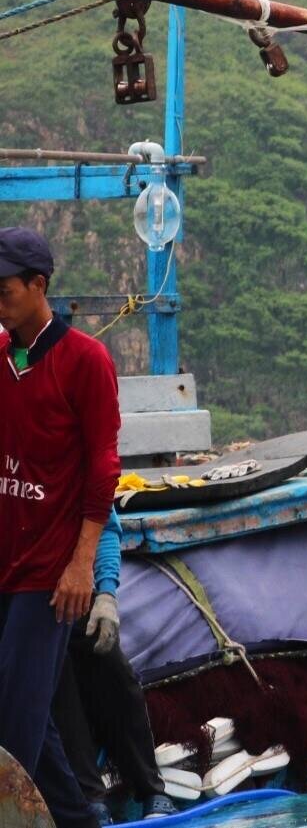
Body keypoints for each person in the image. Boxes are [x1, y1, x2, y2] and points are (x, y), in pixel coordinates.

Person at [0, 228, 119, 828]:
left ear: (38, 286)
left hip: (49, 573)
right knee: (30, 717)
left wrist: (84, 567)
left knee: (14, 730)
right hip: (4, 557)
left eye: (5, 291)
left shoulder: (85, 361)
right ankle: (77, 821)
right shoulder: (1, 358)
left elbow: (104, 469)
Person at [52, 509, 176, 822]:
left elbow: (103, 523)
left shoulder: (81, 469)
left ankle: (152, 789)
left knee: (110, 665)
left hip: (75, 591)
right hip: (26, 598)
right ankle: (89, 798)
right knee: (54, 675)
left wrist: (106, 593)